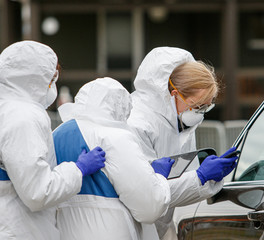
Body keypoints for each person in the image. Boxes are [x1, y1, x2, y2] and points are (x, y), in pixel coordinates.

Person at [128, 47, 239, 239]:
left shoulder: (180, 121)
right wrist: (200, 177)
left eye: (207, 106)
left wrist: (206, 178)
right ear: (174, 94)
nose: (200, 113)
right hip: (132, 228)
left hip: (159, 228)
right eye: (197, 106)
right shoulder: (138, 122)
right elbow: (146, 195)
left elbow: (178, 190)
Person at [0, 41, 106, 240]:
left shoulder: (7, 108)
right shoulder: (23, 117)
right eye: (51, 79)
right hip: (20, 231)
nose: (52, 85)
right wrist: (78, 169)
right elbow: (37, 193)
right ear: (34, 79)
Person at [53, 77, 174, 240]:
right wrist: (158, 177)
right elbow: (149, 207)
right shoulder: (115, 137)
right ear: (121, 106)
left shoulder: (56, 135)